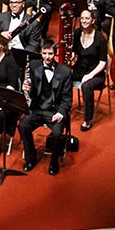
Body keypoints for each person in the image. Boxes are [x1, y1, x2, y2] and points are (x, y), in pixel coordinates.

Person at [19, 38, 73, 175]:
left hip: (55, 111)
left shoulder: (65, 72)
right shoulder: (33, 65)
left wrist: (61, 113)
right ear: (41, 53)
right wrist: (26, 88)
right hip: (37, 109)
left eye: (50, 54)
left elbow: (67, 99)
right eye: (44, 53)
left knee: (56, 134)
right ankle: (31, 159)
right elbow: (30, 91)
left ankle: (54, 162)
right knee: (23, 125)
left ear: (55, 54)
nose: (47, 57)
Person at [71, 8, 107, 130]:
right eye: (82, 18)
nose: (84, 21)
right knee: (61, 76)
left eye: (87, 18)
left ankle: (88, 120)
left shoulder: (100, 38)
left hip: (96, 73)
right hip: (79, 70)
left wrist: (90, 75)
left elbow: (103, 62)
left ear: (93, 20)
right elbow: (74, 53)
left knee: (86, 86)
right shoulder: (76, 33)